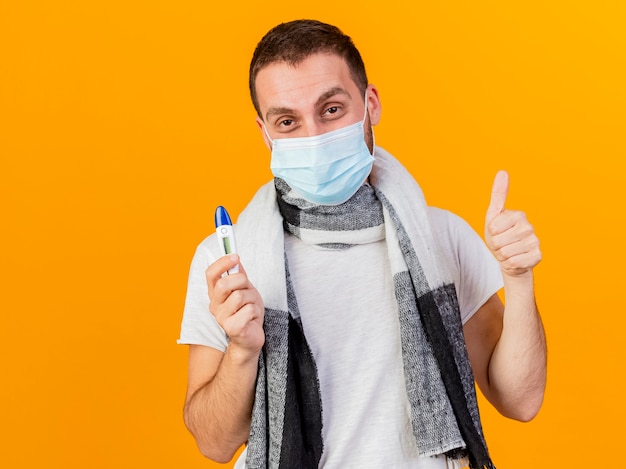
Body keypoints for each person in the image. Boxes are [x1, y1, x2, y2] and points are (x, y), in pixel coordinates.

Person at [178, 19, 546, 469]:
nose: (313, 137)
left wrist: (519, 280)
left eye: (331, 109)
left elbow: (520, 400)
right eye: (288, 121)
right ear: (265, 133)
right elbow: (214, 443)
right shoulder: (228, 261)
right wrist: (241, 351)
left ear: (370, 104)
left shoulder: (439, 238)